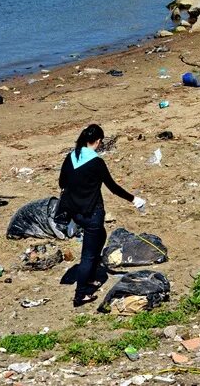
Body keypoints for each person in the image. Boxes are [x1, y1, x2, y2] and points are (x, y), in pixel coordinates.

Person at [57, 124, 144, 308]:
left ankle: (89, 276)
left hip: (75, 211)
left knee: (101, 236)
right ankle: (81, 295)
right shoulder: (96, 162)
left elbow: (61, 182)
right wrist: (134, 199)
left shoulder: (71, 157)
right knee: (88, 255)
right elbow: (112, 187)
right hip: (92, 213)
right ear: (98, 141)